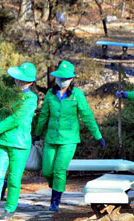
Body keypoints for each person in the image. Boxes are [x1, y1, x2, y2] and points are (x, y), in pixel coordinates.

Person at [34, 60, 105, 212]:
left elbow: (87, 116)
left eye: (66, 78)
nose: (62, 81)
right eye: (60, 78)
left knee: (59, 169)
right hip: (51, 138)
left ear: (72, 79)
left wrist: (98, 136)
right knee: (47, 170)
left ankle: (55, 202)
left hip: (69, 140)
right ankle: (57, 188)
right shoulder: (50, 94)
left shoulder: (77, 95)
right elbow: (43, 115)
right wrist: (37, 134)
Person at [0, 62, 38, 220]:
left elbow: (15, 118)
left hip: (19, 144)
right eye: (18, 79)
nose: (19, 82)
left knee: (14, 179)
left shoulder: (30, 98)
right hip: (1, 142)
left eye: (23, 80)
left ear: (31, 83)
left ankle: (9, 209)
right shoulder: (6, 94)